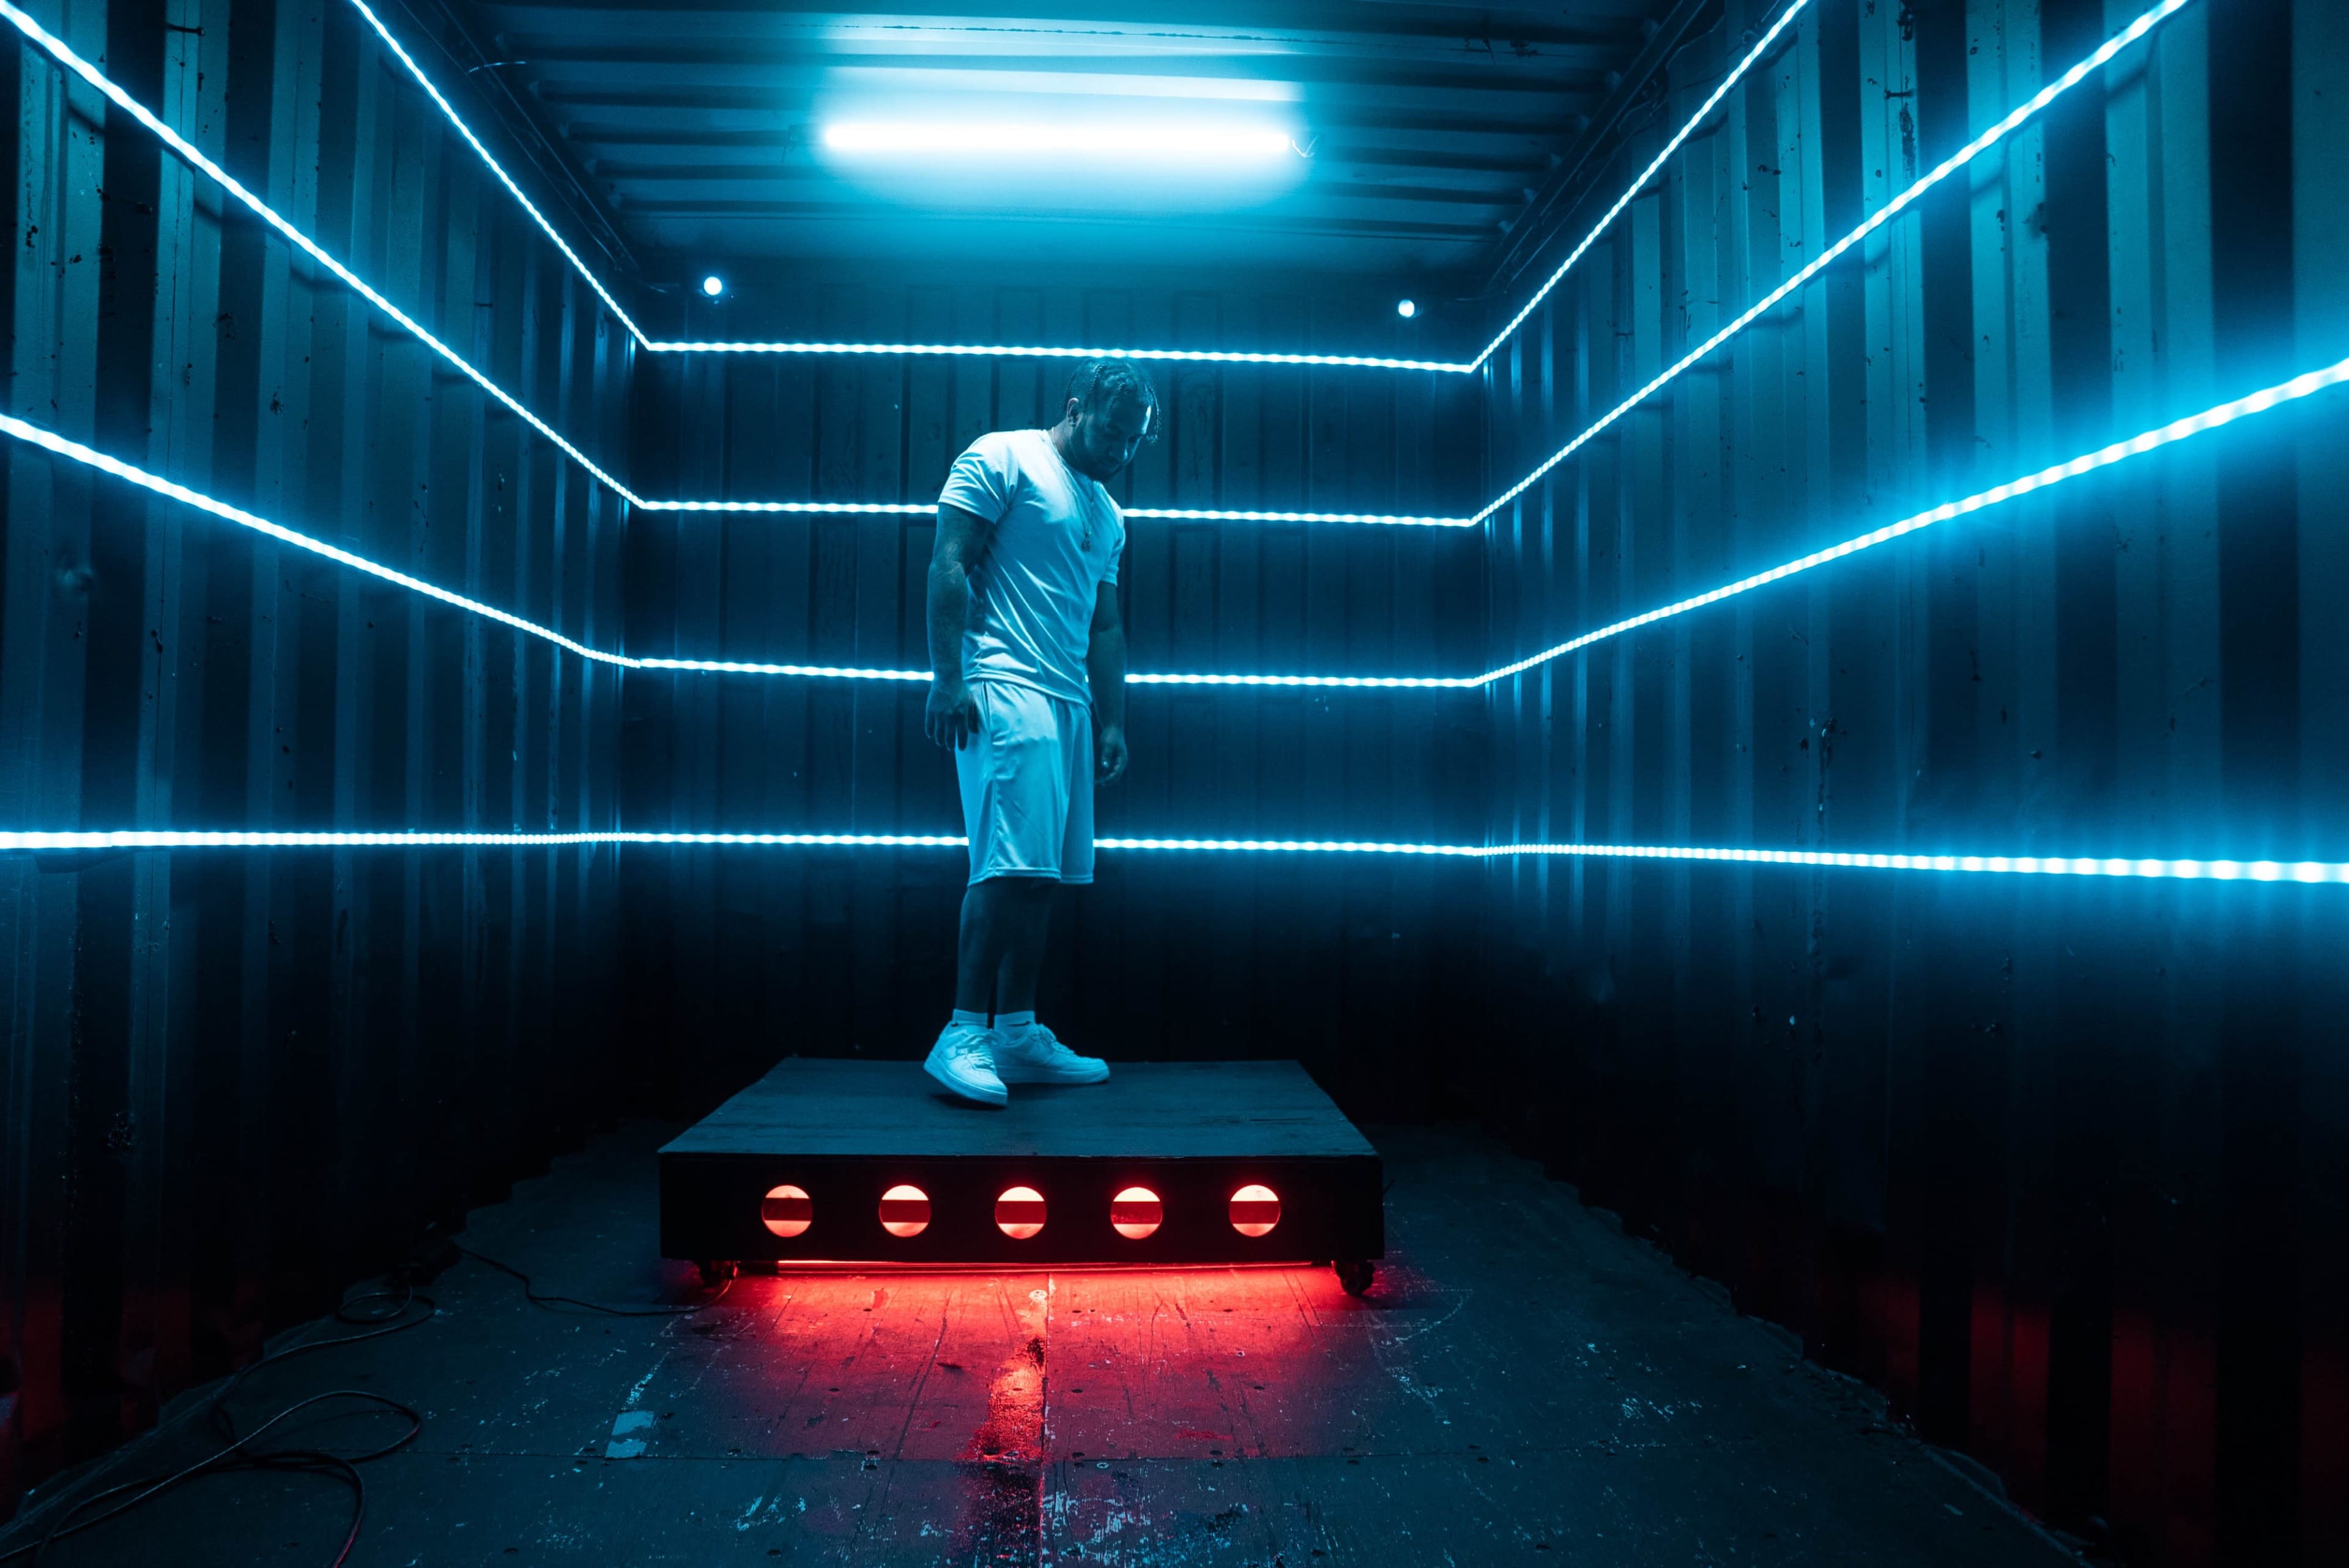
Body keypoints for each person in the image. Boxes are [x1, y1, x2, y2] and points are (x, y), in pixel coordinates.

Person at [919, 359, 1156, 1105]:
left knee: (1043, 877)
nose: (1120, 450)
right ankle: (960, 1032)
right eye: (1111, 432)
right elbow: (949, 559)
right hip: (1001, 681)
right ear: (1076, 406)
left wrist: (1111, 716)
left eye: (1134, 441)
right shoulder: (1004, 454)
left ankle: (1015, 1032)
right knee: (1005, 867)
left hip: (1068, 701)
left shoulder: (1109, 513)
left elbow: (1106, 620)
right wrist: (949, 676)